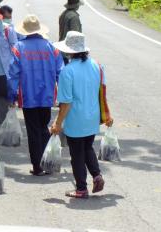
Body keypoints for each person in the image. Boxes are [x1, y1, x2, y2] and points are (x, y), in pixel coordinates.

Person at [50, 31, 113, 198]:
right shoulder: (97, 65)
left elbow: (66, 102)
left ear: (69, 51)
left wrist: (57, 122)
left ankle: (81, 188)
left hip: (75, 119)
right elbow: (102, 92)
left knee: (77, 153)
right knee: (87, 147)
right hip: (92, 117)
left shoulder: (67, 71)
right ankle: (97, 175)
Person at [8, 15, 64, 176]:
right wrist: (63, 96)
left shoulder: (19, 47)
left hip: (28, 96)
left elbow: (12, 74)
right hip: (47, 95)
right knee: (44, 128)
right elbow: (61, 72)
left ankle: (37, 166)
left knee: (33, 131)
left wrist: (11, 96)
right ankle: (47, 163)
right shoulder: (51, 47)